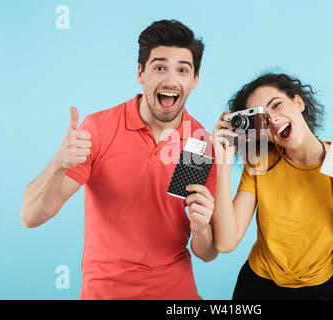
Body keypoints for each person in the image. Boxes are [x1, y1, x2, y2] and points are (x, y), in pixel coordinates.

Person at [20, 19, 218, 300]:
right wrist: (58, 163)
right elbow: (30, 216)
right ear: (141, 73)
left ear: (195, 79)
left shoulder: (197, 144)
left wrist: (201, 228)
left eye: (182, 70)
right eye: (159, 67)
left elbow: (207, 254)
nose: (171, 80)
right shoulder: (100, 129)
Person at [211, 73, 333, 300]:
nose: (273, 120)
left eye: (276, 105)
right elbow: (225, 243)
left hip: (318, 291)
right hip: (256, 288)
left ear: (298, 102)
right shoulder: (260, 161)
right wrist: (223, 165)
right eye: (262, 120)